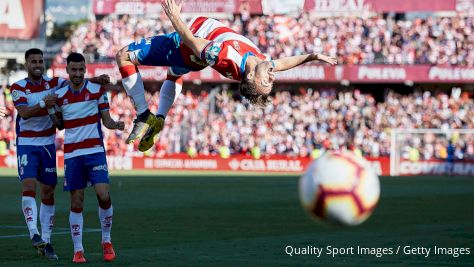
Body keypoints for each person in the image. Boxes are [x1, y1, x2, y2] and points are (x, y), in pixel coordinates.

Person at [116, 0, 337, 152]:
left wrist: (174, 17)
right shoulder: (261, 64)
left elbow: (191, 41)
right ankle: (160, 118)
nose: (272, 77)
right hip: (195, 60)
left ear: (250, 77)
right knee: (174, 75)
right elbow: (284, 64)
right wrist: (313, 56)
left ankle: (144, 115)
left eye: (266, 81)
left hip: (182, 47)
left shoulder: (224, 55)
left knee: (124, 56)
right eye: (271, 80)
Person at [11, 48, 110, 260]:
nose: (37, 64)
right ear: (27, 64)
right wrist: (42, 103)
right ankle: (34, 233)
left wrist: (95, 78)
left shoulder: (55, 83)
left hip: (48, 142)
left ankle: (46, 241)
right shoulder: (18, 87)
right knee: (28, 185)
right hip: (27, 143)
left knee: (48, 191)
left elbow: (76, 83)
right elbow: (24, 113)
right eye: (33, 61)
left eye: (40, 61)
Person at [49, 53, 124, 263]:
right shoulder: (60, 95)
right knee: (77, 201)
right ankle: (78, 249)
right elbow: (60, 125)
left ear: (85, 70)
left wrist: (116, 125)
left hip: (94, 152)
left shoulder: (97, 91)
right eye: (74, 69)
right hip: (73, 155)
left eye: (81, 69)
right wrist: (49, 109)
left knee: (103, 195)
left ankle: (106, 240)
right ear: (67, 70)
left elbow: (107, 121)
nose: (77, 73)